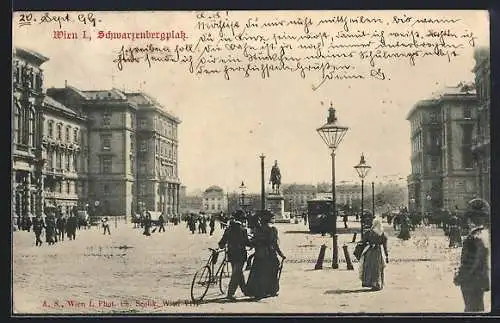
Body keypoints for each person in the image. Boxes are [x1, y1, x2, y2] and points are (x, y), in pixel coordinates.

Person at [454, 198, 490, 312]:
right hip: (480, 281)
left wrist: (460, 277)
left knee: (471, 311)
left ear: (471, 218)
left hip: (471, 282)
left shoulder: (473, 238)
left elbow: (470, 262)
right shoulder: (484, 234)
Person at [246, 210, 286, 300]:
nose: (274, 219)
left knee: (259, 273)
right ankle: (271, 290)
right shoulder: (272, 229)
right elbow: (275, 244)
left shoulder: (257, 230)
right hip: (269, 254)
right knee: (272, 271)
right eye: (272, 218)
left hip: (259, 254)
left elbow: (253, 242)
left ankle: (258, 291)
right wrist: (281, 254)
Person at [218, 210, 251, 300]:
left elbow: (222, 243)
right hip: (240, 254)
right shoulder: (243, 229)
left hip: (231, 254)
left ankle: (245, 290)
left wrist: (222, 246)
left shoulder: (228, 229)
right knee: (236, 273)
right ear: (241, 219)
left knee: (238, 272)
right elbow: (247, 242)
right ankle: (230, 294)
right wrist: (254, 243)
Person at [358, 218, 389, 291]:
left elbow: (363, 241)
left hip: (370, 251)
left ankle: (370, 283)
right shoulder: (383, 234)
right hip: (378, 252)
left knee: (369, 267)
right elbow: (385, 246)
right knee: (378, 267)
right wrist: (386, 255)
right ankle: (378, 284)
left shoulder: (369, 232)